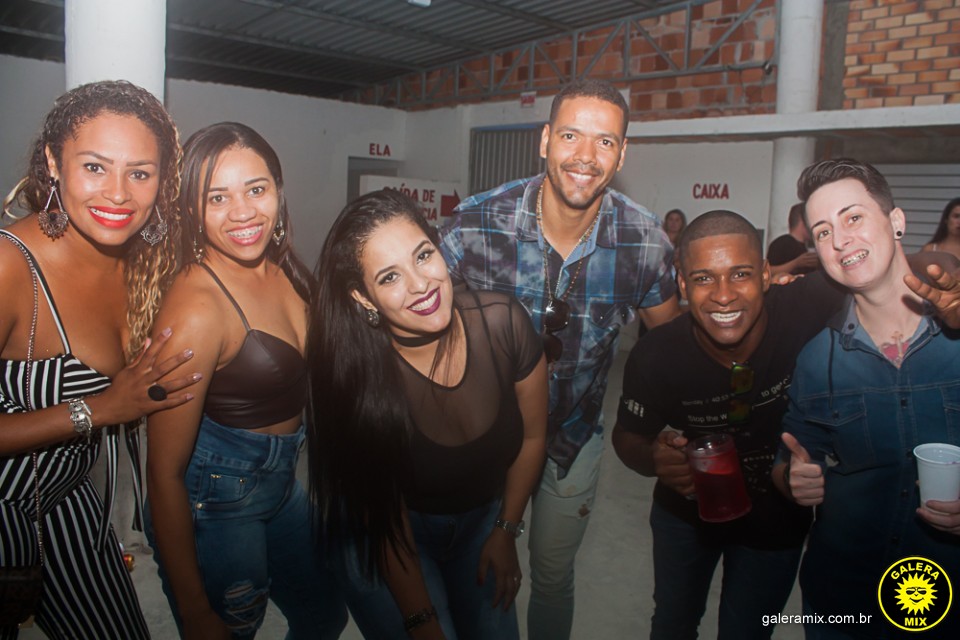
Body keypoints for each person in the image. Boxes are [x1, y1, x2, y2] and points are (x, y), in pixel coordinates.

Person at [439, 78, 679, 640]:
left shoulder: (644, 242)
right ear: (545, 140)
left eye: (605, 141)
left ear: (622, 153)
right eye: (571, 135)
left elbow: (670, 351)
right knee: (478, 575)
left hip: (573, 437)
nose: (585, 156)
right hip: (484, 437)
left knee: (551, 578)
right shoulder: (476, 225)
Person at [0, 80, 199, 639]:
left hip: (64, 499)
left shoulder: (140, 262)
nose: (118, 194)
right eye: (94, 167)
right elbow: (108, 405)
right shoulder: (9, 266)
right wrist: (99, 409)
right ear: (53, 163)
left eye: (140, 173)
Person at [308, 189, 547, 639]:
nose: (420, 284)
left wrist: (505, 529)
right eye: (389, 277)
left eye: (423, 255)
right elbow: (386, 521)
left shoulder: (504, 324)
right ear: (363, 298)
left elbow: (534, 437)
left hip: (482, 520)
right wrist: (421, 621)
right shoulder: (358, 378)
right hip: (387, 536)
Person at [144, 123, 347, 640]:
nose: (243, 212)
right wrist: (194, 611)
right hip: (216, 499)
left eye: (256, 189)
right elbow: (164, 474)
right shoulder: (197, 308)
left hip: (280, 483)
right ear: (192, 208)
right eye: (217, 197)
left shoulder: (281, 267)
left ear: (278, 189)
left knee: (324, 614)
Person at [612, 210, 845, 640]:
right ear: (683, 286)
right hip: (686, 515)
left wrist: (943, 276)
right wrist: (654, 459)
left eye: (740, 274)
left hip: (778, 515)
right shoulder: (657, 355)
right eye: (703, 278)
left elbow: (893, 272)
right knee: (673, 625)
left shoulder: (804, 307)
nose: (723, 296)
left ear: (766, 274)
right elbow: (627, 437)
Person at [773, 158, 960, 638]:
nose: (840, 241)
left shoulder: (956, 335)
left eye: (853, 217)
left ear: (896, 221)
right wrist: (793, 480)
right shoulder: (817, 360)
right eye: (823, 231)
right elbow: (790, 458)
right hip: (844, 601)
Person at [767, 202, 820, 276]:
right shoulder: (781, 243)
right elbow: (768, 271)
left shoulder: (809, 246)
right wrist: (796, 263)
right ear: (803, 221)